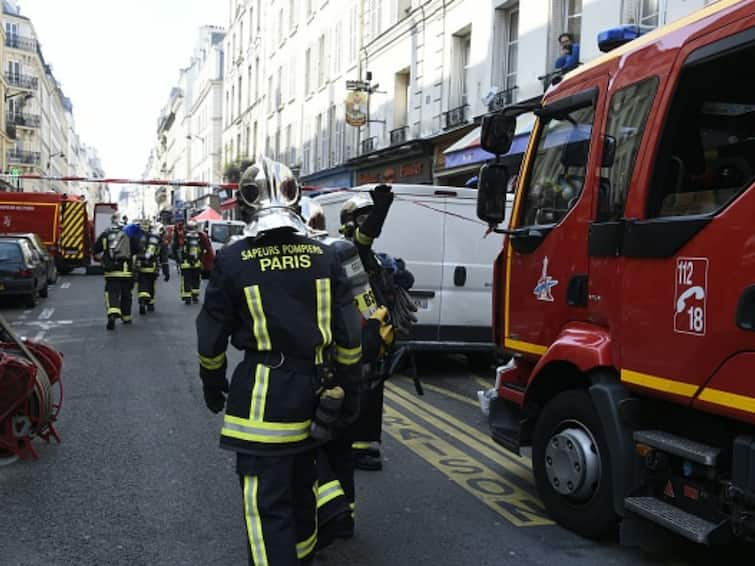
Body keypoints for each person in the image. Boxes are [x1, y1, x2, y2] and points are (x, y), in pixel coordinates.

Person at [196, 157, 362, 566]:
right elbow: (350, 337)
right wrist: (349, 390)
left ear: (246, 204)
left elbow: (211, 335)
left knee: (266, 508)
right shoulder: (325, 257)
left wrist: (212, 381)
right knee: (303, 494)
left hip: (261, 403)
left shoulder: (234, 260)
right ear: (296, 198)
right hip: (316, 399)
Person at [299, 196, 395, 549]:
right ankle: (344, 517)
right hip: (351, 361)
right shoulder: (344, 252)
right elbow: (366, 306)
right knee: (339, 445)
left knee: (315, 446)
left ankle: (322, 516)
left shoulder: (313, 258)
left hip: (320, 367)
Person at [339, 187, 416, 472]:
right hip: (354, 332)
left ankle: (362, 443)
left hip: (375, 331)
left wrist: (397, 279)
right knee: (358, 388)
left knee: (372, 390)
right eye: (362, 218)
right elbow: (365, 237)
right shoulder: (347, 251)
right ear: (349, 223)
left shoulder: (373, 256)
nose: (368, 223)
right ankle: (354, 446)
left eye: (370, 216)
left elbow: (384, 283)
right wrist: (382, 209)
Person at [92, 212, 138, 331]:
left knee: (112, 292)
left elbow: (95, 250)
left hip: (111, 272)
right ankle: (126, 317)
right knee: (126, 294)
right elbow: (137, 250)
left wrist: (103, 259)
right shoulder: (128, 235)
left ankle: (112, 313)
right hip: (126, 271)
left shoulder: (105, 234)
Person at [135, 220, 166, 314]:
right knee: (151, 284)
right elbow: (163, 257)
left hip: (141, 266)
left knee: (141, 284)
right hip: (152, 267)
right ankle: (150, 303)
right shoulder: (158, 240)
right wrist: (166, 271)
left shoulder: (139, 238)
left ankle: (142, 301)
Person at [174, 219, 208, 304]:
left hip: (185, 263)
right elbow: (205, 248)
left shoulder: (183, 236)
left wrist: (178, 260)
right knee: (196, 279)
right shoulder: (200, 236)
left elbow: (176, 248)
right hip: (197, 263)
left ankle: (187, 297)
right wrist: (201, 261)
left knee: (186, 280)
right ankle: (195, 296)